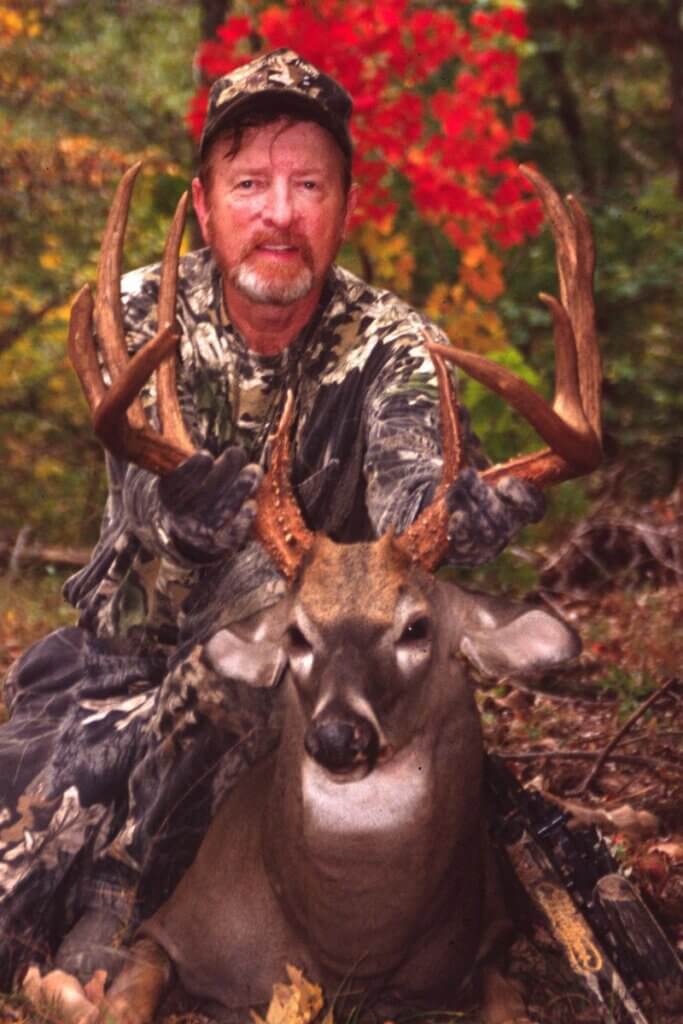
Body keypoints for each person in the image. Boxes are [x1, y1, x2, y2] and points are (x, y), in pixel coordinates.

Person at [0, 48, 544, 986]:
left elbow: (411, 499)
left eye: (309, 184)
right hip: (121, 670)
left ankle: (123, 937)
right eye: (250, 182)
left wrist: (460, 517)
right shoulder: (141, 313)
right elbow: (142, 517)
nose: (280, 213)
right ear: (206, 205)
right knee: (49, 807)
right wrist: (189, 522)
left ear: (343, 206)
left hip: (310, 676)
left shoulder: (393, 345)